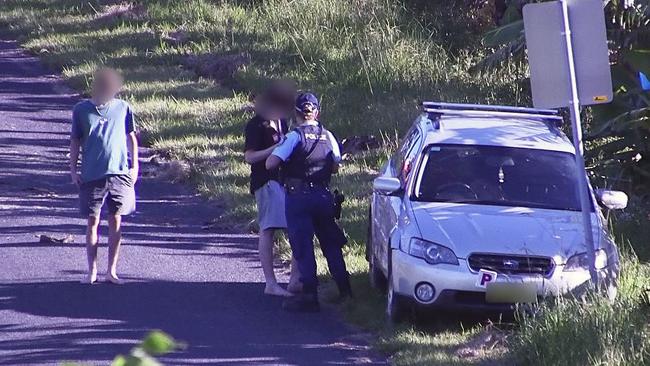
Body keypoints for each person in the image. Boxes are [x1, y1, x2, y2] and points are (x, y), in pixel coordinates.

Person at [266, 92, 352, 312]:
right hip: (323, 196)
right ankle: (345, 290)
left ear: (296, 113)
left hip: (298, 197)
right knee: (331, 244)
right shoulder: (328, 135)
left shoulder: (294, 137)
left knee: (303, 246)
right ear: (317, 112)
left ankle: (310, 296)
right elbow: (335, 165)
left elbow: (271, 163)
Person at [69, 68, 138, 285]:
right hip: (91, 175)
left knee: (116, 221)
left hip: (119, 174)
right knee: (92, 222)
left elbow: (131, 138)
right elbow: (75, 142)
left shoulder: (123, 108)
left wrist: (135, 166)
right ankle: (92, 271)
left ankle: (112, 271)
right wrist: (73, 170)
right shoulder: (81, 110)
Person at [244, 82, 301, 296]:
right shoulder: (256, 125)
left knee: (294, 227)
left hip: (283, 181)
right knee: (268, 229)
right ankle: (271, 283)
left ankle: (295, 279)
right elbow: (249, 157)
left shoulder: (282, 122)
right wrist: (275, 149)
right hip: (265, 181)